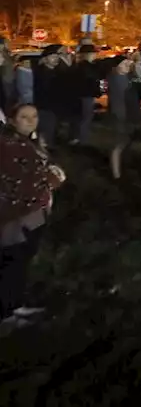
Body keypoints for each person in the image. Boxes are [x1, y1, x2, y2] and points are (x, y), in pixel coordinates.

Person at [0, 105, 66, 332]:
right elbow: (20, 180)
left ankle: (15, 305)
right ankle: (6, 315)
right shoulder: (9, 145)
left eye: (34, 116)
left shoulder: (29, 140)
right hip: (18, 216)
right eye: (24, 117)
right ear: (11, 120)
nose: (31, 121)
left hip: (34, 212)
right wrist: (53, 179)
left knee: (21, 262)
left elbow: (41, 165)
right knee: (12, 262)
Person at [106, 57, 139, 180]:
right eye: (123, 63)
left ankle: (123, 167)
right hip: (120, 115)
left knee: (125, 142)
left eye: (127, 63)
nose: (126, 65)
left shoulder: (125, 78)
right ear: (116, 66)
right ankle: (116, 174)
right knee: (118, 144)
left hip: (127, 114)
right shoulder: (116, 79)